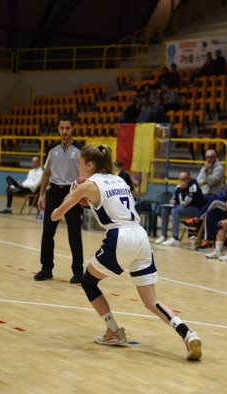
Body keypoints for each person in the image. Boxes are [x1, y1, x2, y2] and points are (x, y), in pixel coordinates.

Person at [49, 144, 202, 360]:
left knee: (88, 282)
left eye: (79, 163)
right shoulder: (119, 179)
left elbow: (55, 216)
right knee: (152, 301)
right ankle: (188, 333)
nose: (77, 167)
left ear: (90, 165)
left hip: (120, 236)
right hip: (140, 236)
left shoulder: (87, 185)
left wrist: (72, 193)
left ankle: (113, 332)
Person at [35, 115, 84, 283]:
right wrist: (41, 195)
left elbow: (85, 175)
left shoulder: (80, 150)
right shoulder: (51, 149)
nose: (64, 131)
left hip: (72, 193)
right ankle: (46, 268)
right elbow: (46, 173)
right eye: (62, 128)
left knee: (74, 234)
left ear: (73, 129)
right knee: (47, 233)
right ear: (58, 129)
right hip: (54, 192)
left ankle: (78, 272)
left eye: (67, 128)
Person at [155, 171, 205, 247]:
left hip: (196, 210)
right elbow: (175, 198)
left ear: (189, 179)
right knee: (165, 209)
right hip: (184, 208)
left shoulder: (193, 187)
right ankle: (163, 235)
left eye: (184, 179)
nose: (182, 181)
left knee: (175, 211)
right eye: (180, 179)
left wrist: (181, 191)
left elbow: (184, 203)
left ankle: (175, 238)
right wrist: (173, 200)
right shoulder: (179, 186)